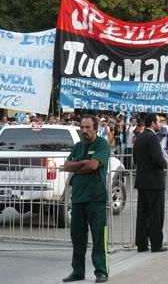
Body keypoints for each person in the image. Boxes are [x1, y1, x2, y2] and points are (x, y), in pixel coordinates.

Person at [62, 115, 110, 283]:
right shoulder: (77, 146)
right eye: (82, 127)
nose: (84, 131)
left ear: (96, 129)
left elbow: (93, 165)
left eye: (88, 127)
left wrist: (77, 166)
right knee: (77, 237)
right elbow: (66, 166)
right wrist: (82, 165)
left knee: (98, 237)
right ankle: (78, 271)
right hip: (78, 199)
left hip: (95, 198)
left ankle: (101, 271)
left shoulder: (102, 144)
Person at [134, 113, 168, 253]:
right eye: (158, 122)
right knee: (156, 213)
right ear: (153, 123)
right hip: (154, 182)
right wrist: (165, 161)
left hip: (142, 181)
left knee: (142, 214)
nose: (160, 125)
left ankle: (141, 244)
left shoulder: (140, 137)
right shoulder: (153, 137)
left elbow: (135, 158)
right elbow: (157, 159)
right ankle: (156, 244)